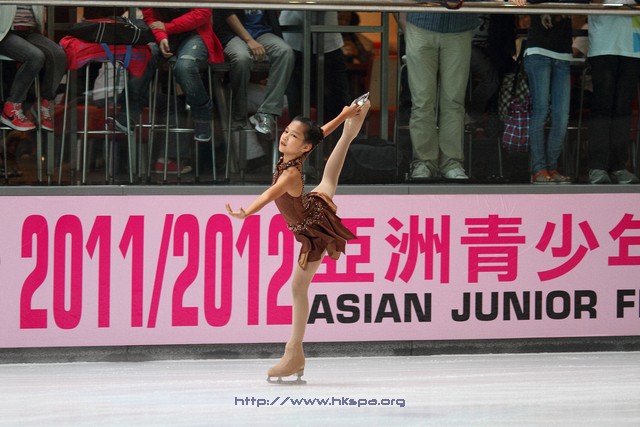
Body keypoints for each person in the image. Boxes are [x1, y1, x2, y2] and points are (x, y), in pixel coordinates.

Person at [226, 98, 370, 382]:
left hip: (313, 228)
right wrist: (343, 114)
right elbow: (320, 133)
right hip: (312, 207)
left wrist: (247, 212)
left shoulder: (291, 173)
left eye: (293, 135)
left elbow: (270, 194)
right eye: (286, 131)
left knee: (297, 286)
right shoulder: (295, 156)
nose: (285, 136)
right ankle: (352, 125)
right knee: (329, 180)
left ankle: (294, 352)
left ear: (303, 146)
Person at [111, 8, 224, 174]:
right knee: (143, 58)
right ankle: (128, 114)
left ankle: (202, 115)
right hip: (164, 34)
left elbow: (203, 13)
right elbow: (150, 16)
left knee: (185, 67)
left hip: (194, 33)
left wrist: (168, 27)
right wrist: (162, 35)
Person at [403, 11, 477, 180]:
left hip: (458, 26)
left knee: (453, 101)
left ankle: (450, 163)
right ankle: (425, 162)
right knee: (423, 101)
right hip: (421, 25)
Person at [514, 1, 574, 184]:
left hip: (563, 52)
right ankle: (539, 168)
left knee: (561, 116)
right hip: (538, 49)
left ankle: (551, 167)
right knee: (541, 111)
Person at [213, 9, 294, 136]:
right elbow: (226, 11)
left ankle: (267, 113)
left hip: (262, 31)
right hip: (232, 33)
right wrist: (249, 40)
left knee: (285, 52)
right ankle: (238, 115)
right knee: (242, 58)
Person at [586, 0, 640, 184]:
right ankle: (597, 166)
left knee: (623, 109)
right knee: (602, 106)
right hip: (603, 43)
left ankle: (619, 166)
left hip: (633, 44)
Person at [279, 11, 351, 146]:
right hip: (293, 40)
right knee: (297, 107)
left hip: (329, 41)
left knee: (340, 105)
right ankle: (297, 156)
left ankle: (341, 154)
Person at [0, 5, 67, 132]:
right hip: (4, 32)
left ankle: (43, 105)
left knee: (59, 55)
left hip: (29, 32)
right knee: (35, 56)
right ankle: (11, 108)